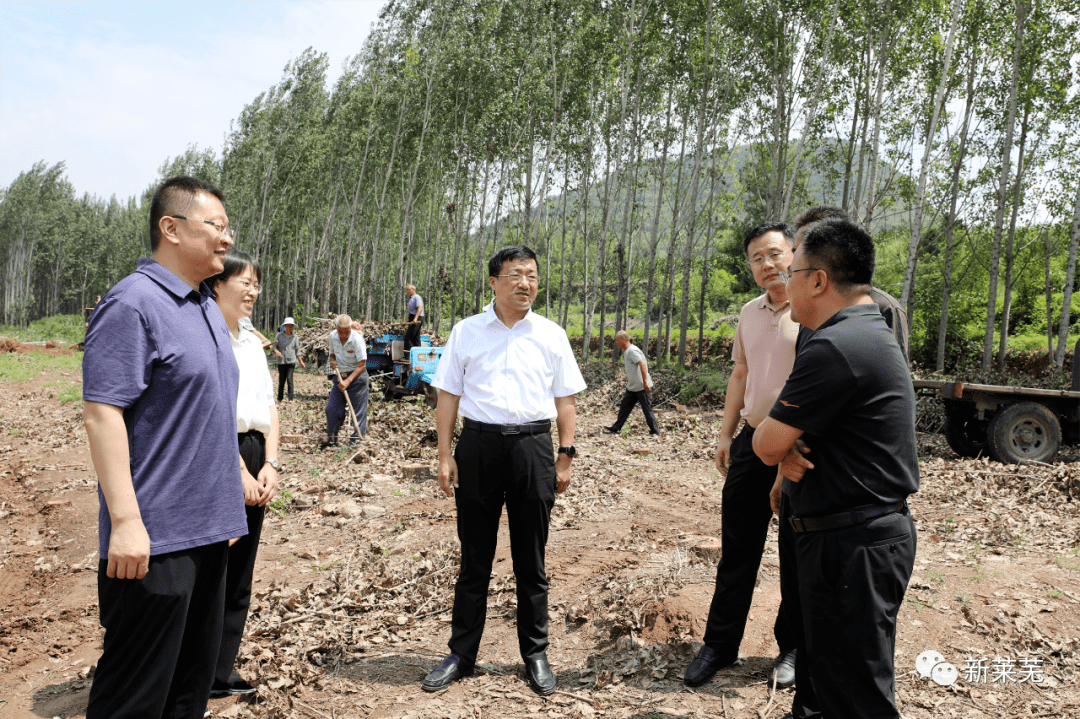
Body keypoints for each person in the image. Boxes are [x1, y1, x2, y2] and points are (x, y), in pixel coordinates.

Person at [82, 176, 247, 719]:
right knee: (135, 696)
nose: (227, 239)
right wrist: (126, 521)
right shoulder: (133, 304)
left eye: (228, 227)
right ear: (170, 229)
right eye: (215, 226)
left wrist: (224, 504)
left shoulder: (203, 304)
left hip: (206, 533)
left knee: (188, 690)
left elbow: (206, 413)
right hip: (154, 540)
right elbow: (102, 412)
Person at [754, 217, 919, 719]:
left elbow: (765, 442)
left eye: (792, 270)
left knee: (859, 698)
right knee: (826, 682)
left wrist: (783, 445)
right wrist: (791, 446)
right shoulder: (864, 328)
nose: (784, 281)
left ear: (818, 280)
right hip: (846, 537)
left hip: (854, 547)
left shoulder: (836, 345)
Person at [422, 245, 586, 697]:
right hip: (478, 447)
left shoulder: (551, 334)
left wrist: (565, 454)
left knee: (531, 560)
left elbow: (565, 399)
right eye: (515, 274)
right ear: (493, 282)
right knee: (474, 558)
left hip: (533, 447)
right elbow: (448, 396)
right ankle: (461, 653)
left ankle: (535, 653)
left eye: (532, 275)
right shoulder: (467, 331)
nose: (525, 283)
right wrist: (444, 453)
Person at [684, 223, 798, 690]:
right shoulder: (750, 313)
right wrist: (726, 433)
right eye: (757, 258)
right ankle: (720, 645)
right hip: (753, 440)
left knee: (795, 551)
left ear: (794, 252)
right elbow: (740, 372)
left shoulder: (813, 310)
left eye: (774, 253)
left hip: (798, 445)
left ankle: (792, 647)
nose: (767, 264)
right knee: (738, 548)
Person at [207, 249, 280, 697]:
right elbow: (210, 410)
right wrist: (237, 471)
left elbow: (271, 407)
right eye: (244, 282)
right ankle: (195, 667)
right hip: (220, 452)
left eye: (256, 283)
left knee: (241, 569)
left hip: (256, 451)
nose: (252, 291)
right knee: (214, 564)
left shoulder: (252, 342)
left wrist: (270, 463)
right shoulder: (207, 335)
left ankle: (220, 669)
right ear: (217, 283)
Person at [791, 206, 909, 361]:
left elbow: (894, 378)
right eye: (795, 251)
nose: (796, 259)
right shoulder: (808, 308)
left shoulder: (883, 308)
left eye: (805, 249)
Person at [324, 314, 368, 447]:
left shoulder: (357, 339)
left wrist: (348, 381)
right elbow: (332, 354)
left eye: (347, 331)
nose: (343, 335)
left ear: (350, 328)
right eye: (340, 332)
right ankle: (332, 439)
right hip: (340, 377)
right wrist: (332, 360)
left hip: (357, 378)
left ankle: (356, 442)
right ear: (336, 328)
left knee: (358, 412)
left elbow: (362, 364)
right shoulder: (332, 336)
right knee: (331, 409)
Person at [603, 330, 660, 435]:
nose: (616, 343)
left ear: (623, 339)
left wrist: (645, 383)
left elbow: (642, 364)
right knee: (625, 407)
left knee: (647, 409)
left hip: (641, 386)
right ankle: (616, 428)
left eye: (617, 340)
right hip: (633, 386)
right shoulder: (627, 351)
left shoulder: (632, 351)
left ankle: (655, 431)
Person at [273, 316, 306, 402]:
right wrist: (277, 352)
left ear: (292, 327)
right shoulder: (279, 335)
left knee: (289, 379)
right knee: (281, 380)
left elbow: (297, 350)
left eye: (290, 326)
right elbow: (274, 347)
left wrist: (301, 362)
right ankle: (280, 398)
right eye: (287, 326)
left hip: (291, 361)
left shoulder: (294, 337)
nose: (288, 328)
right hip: (281, 362)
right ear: (284, 326)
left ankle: (290, 398)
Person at [404, 283, 425, 352]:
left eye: (408, 290)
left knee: (408, 337)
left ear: (413, 289)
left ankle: (407, 356)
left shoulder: (417, 297)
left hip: (418, 319)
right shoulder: (411, 298)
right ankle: (418, 355)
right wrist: (406, 321)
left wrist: (415, 318)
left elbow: (420, 307)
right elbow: (412, 313)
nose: (407, 292)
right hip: (414, 318)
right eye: (406, 290)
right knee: (416, 338)